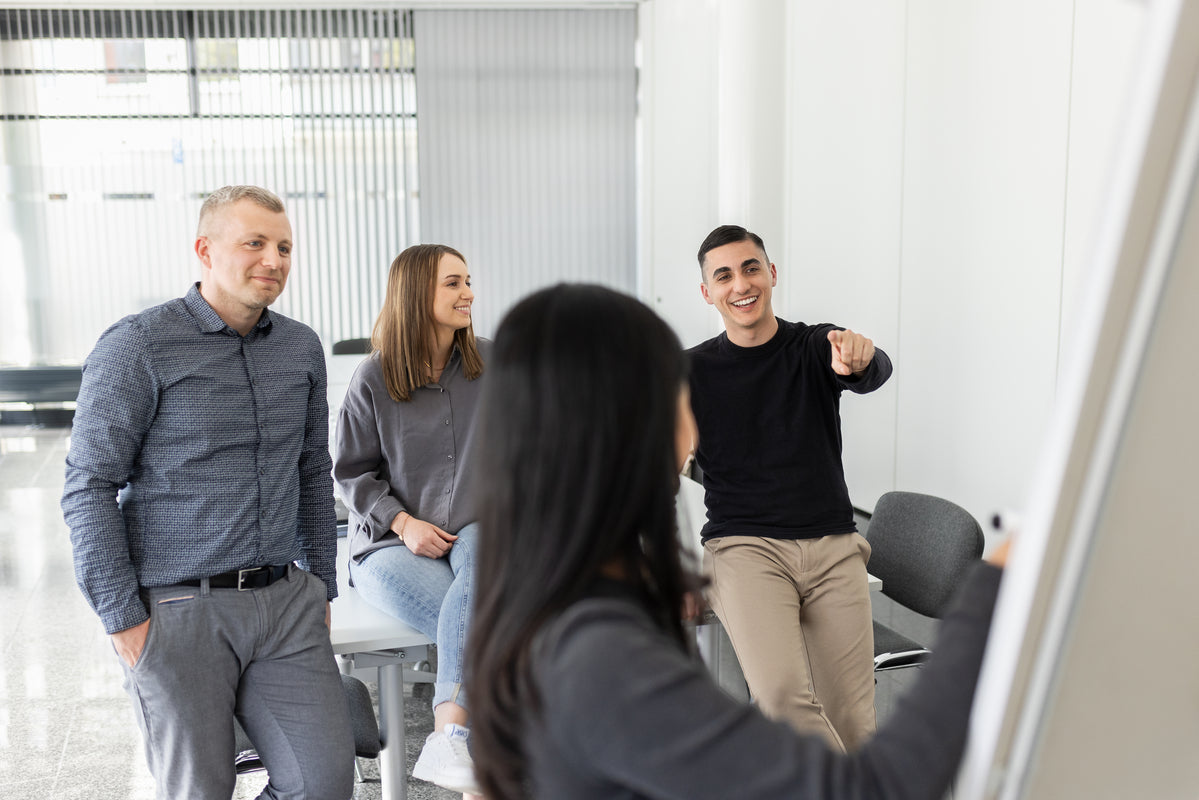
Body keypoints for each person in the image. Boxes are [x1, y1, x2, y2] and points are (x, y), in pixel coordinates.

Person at [465, 283, 1007, 800]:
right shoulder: (606, 662)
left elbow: (867, 367)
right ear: (628, 425)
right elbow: (872, 791)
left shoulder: (551, 604)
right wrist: (990, 597)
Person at [61, 185, 354, 799]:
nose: (273, 260)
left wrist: (321, 585)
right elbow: (89, 485)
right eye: (254, 243)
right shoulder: (139, 344)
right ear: (205, 249)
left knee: (324, 785)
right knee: (201, 790)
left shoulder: (300, 348)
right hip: (178, 609)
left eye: (284, 247)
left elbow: (309, 471)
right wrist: (124, 621)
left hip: (285, 605)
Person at [686, 224, 892, 750]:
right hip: (744, 548)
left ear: (771, 274)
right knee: (783, 701)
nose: (741, 284)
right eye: (724, 275)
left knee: (852, 718)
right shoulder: (689, 371)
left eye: (751, 267)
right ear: (707, 292)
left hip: (832, 547)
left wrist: (862, 360)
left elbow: (868, 368)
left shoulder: (813, 345)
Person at [333, 244, 488, 797]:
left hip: (478, 529)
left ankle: (452, 739)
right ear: (416, 293)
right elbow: (351, 473)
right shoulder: (373, 376)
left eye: (468, 281)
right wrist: (403, 523)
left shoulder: (491, 364)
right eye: (453, 283)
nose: (469, 292)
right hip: (389, 543)